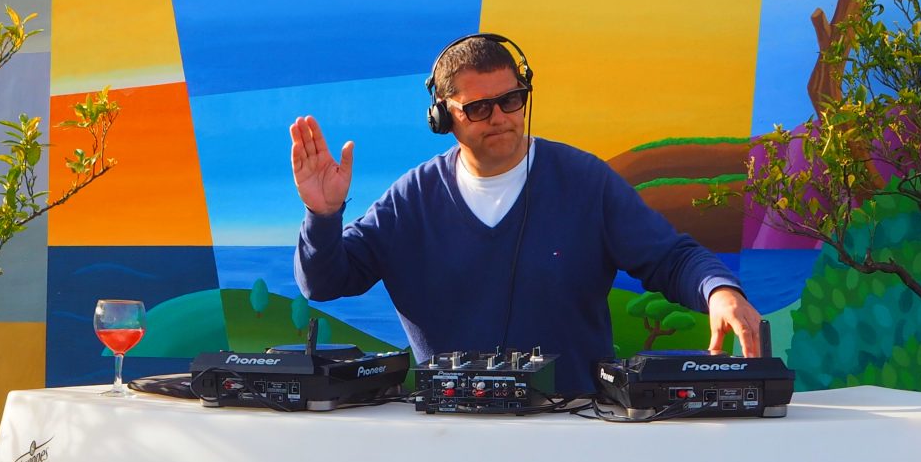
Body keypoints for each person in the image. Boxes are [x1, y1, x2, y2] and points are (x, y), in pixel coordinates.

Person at [290, 33, 762, 392]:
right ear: (442, 117)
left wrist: (719, 291)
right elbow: (325, 282)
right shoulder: (412, 199)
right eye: (478, 108)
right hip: (448, 435)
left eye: (511, 100)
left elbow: (671, 257)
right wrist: (322, 215)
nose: (499, 117)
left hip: (573, 426)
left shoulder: (585, 181)